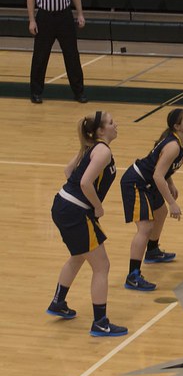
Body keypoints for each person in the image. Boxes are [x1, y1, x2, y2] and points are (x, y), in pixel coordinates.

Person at [48, 111, 128, 337]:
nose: (116, 125)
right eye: (112, 123)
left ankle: (58, 302)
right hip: (75, 211)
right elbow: (84, 182)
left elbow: (68, 171)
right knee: (102, 266)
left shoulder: (90, 146)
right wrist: (97, 206)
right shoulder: (101, 150)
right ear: (101, 131)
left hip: (63, 204)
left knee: (78, 255)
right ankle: (100, 323)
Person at [119, 108, 183, 291]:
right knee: (145, 227)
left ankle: (152, 251)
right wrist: (172, 203)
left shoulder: (180, 142)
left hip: (149, 181)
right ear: (177, 126)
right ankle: (133, 276)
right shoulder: (173, 146)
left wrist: (171, 183)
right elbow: (157, 175)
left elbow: (162, 168)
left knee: (159, 212)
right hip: (136, 182)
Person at [26, 0, 87, 105]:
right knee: (40, 56)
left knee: (72, 56)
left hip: (64, 17)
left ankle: (79, 92)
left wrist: (80, 14)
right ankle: (36, 93)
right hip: (45, 17)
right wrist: (32, 20)